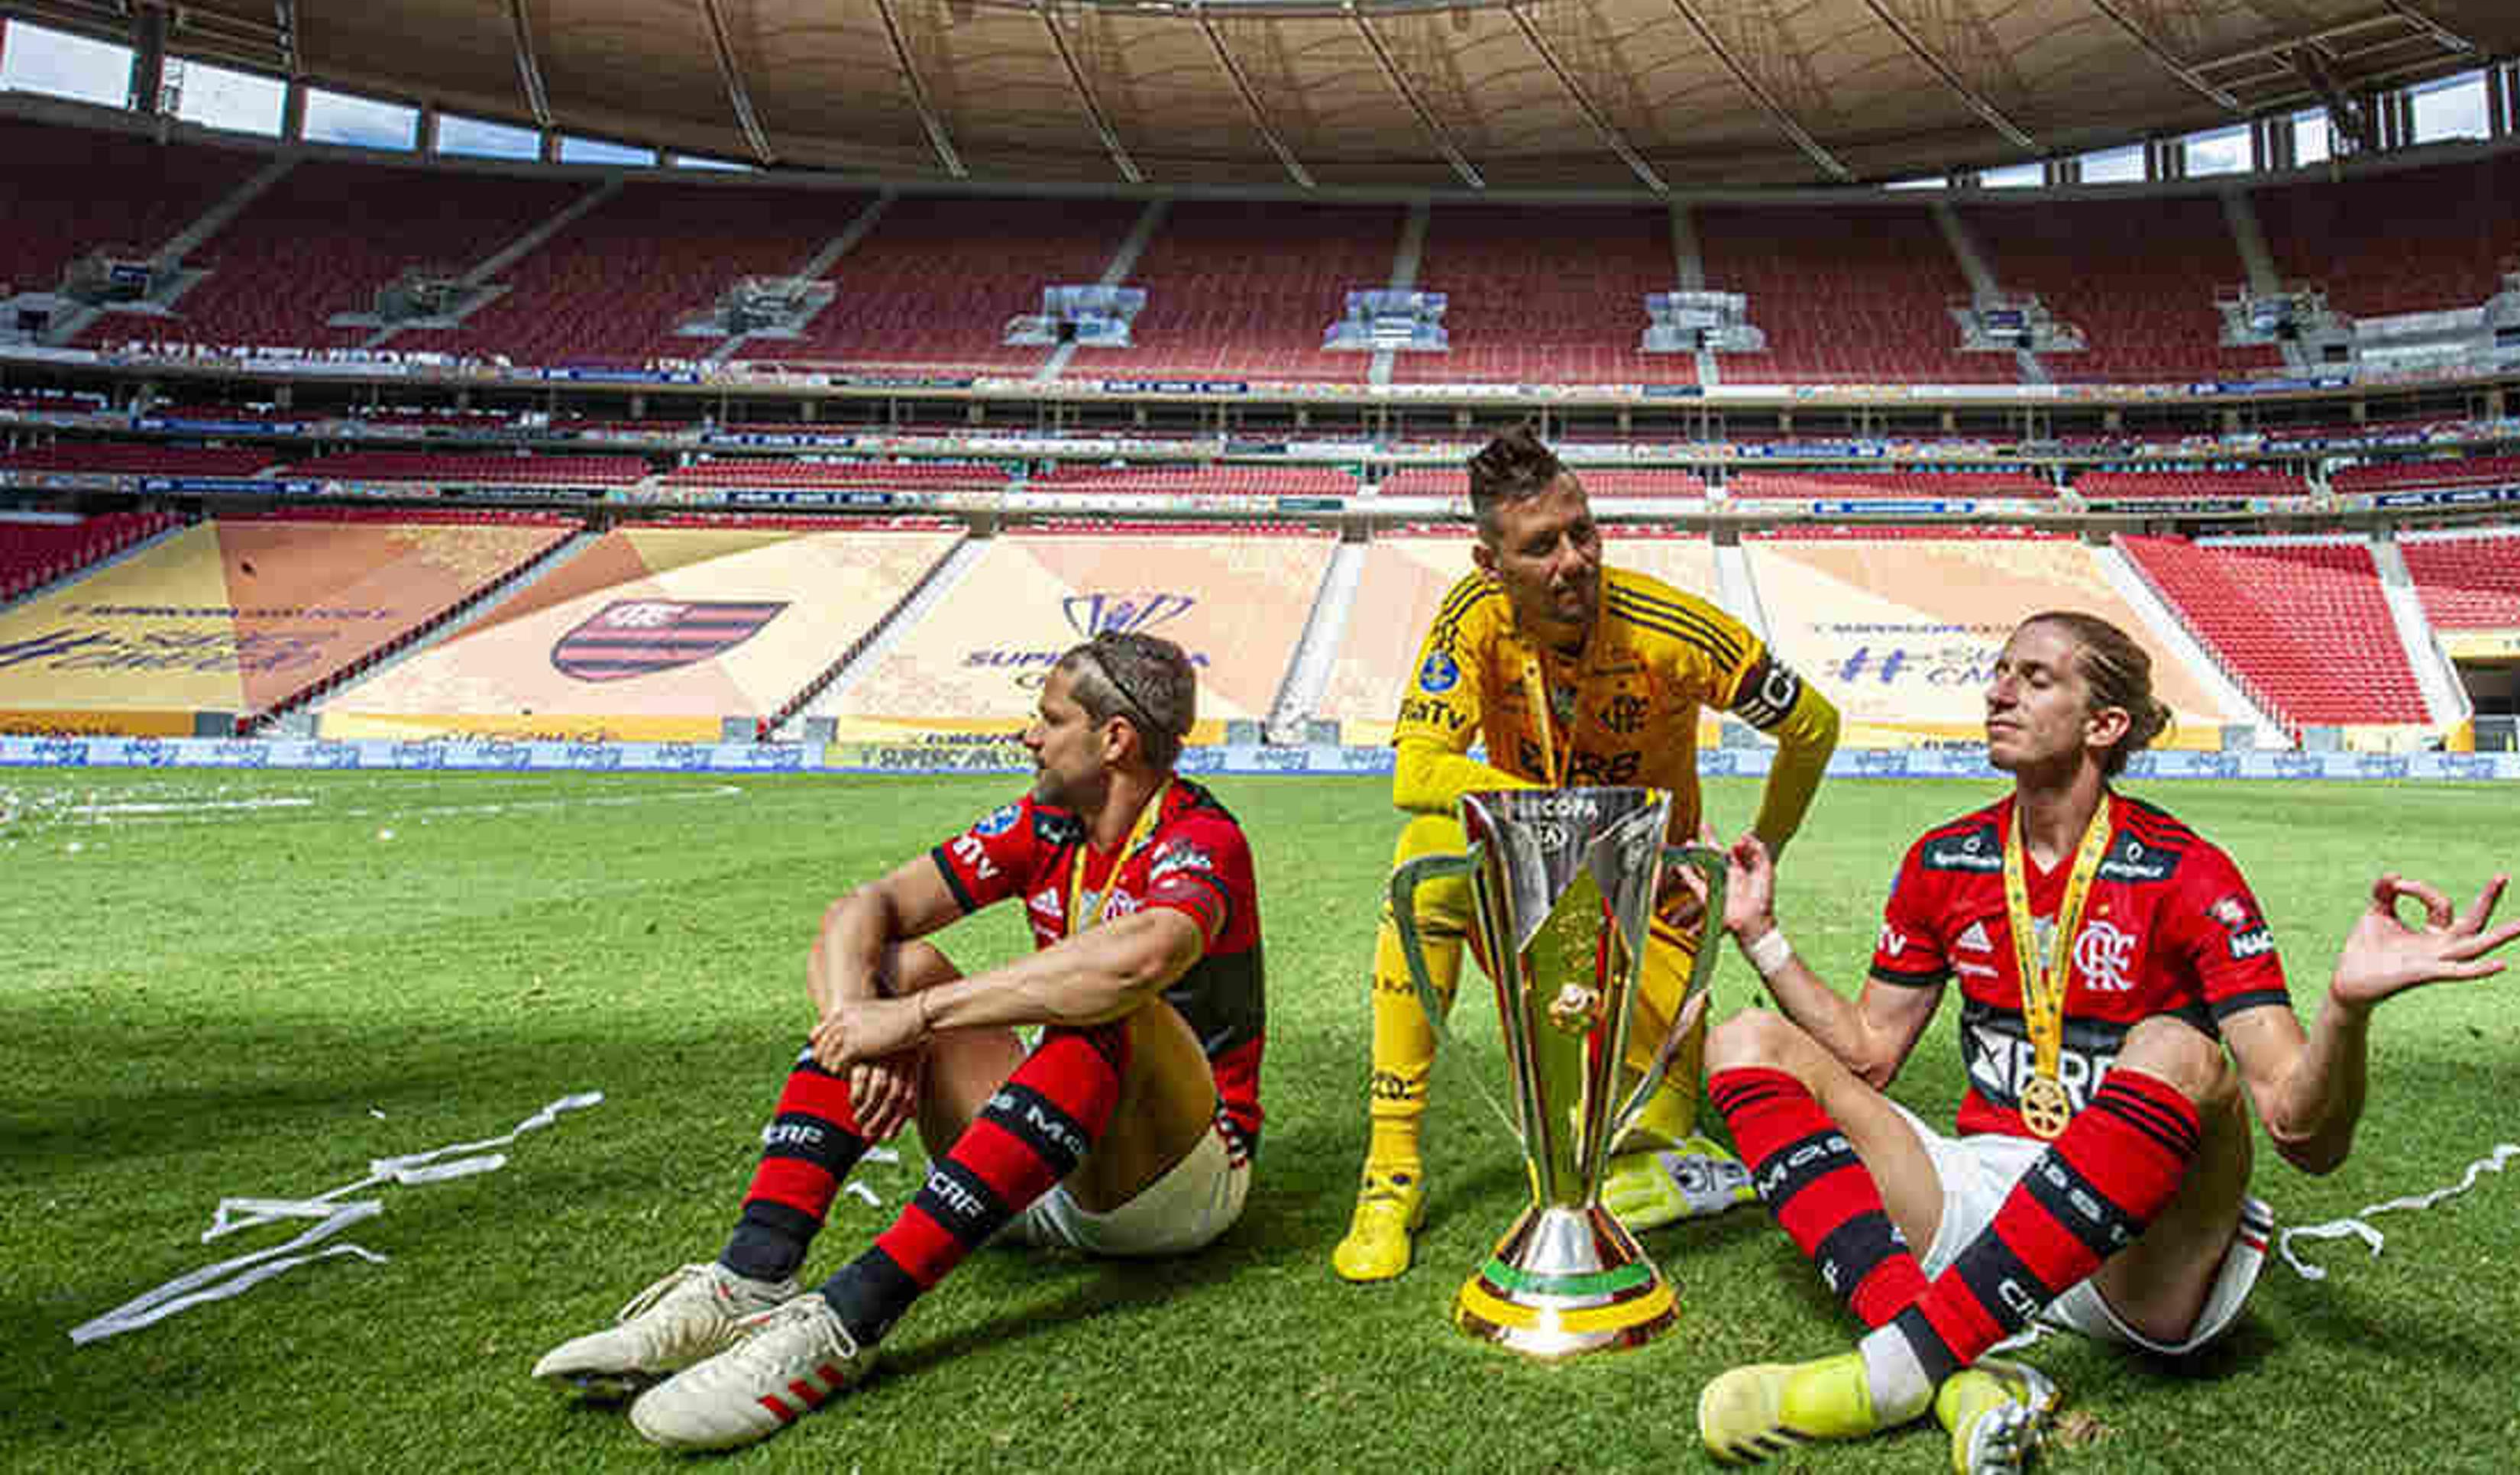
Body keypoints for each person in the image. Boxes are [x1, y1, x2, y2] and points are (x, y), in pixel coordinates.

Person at [1692, 611, 2520, 1470]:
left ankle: (1896, 1368)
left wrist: (2346, 1011)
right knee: (1745, 1040)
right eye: (1998, 671)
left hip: (2139, 1254)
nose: (1997, 691)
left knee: (2176, 1049)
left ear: (2105, 726)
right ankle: (1954, 1370)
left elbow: (2302, 1134)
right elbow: (1868, 1052)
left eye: (2034, 678)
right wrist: (1761, 936)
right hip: (1983, 1200)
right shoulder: (1944, 861)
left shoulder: (2187, 873)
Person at [533, 631, 1263, 1452]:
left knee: (1109, 998)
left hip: (1166, 1186)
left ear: (1114, 739)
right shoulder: (1048, 823)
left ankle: (846, 1326)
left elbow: (1145, 958)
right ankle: (751, 1279)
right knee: (893, 962)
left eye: (1049, 719)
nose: (1028, 735)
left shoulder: (1203, 836)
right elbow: (863, 909)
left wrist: (913, 1022)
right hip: (1037, 1160)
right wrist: (862, 1022)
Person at [1332, 424, 1842, 1283]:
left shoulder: (1672, 630)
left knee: (1638, 1158)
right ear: (1488, 564)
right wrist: (1569, 821)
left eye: (1584, 531)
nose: (1575, 559)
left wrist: (1771, 845)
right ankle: (1391, 1174)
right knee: (1424, 854)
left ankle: (1658, 1134)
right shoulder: (1471, 618)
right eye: (1542, 546)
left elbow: (1813, 724)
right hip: (1534, 902)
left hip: (1649, 924)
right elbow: (1416, 771)